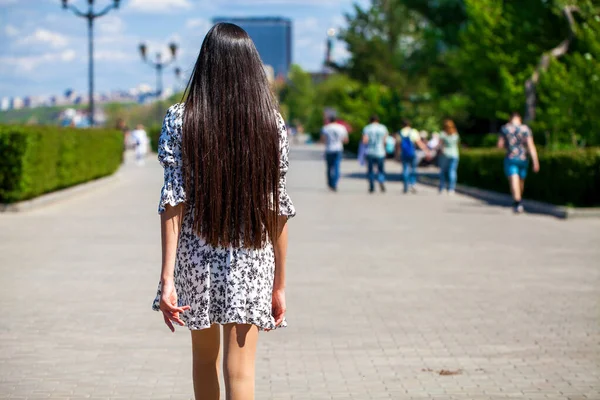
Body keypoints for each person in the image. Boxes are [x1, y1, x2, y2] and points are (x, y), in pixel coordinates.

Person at [151, 23, 296, 400]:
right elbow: (275, 208)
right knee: (241, 372)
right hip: (251, 254)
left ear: (206, 63)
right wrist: (279, 282)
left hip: (196, 254)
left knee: (203, 360)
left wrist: (166, 278)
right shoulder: (271, 124)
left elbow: (173, 201)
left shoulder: (180, 119)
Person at [497, 112, 540, 213]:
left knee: (513, 179)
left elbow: (499, 145)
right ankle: (518, 199)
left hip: (511, 157)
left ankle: (517, 201)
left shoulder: (505, 129)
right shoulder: (525, 129)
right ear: (520, 119)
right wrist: (535, 161)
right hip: (523, 158)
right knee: (520, 180)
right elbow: (531, 146)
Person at [397, 119, 430, 194]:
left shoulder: (400, 132)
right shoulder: (413, 131)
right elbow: (418, 142)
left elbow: (398, 145)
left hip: (404, 153)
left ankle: (405, 185)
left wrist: (397, 155)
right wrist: (426, 150)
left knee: (405, 169)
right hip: (412, 153)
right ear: (409, 124)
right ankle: (412, 184)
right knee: (413, 169)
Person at [321, 115, 349, 191]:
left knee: (329, 167)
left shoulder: (326, 128)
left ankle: (330, 183)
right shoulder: (341, 128)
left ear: (329, 120)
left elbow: (323, 139)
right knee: (336, 167)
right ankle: (335, 184)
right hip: (338, 148)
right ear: (336, 120)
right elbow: (346, 140)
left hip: (329, 149)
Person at [362, 115, 389, 193]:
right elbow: (385, 141)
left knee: (370, 170)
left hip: (370, 152)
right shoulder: (383, 128)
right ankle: (381, 180)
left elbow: (365, 141)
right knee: (380, 169)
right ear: (378, 120)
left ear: (370, 120)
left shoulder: (367, 128)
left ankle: (371, 185)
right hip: (380, 152)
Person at [438, 119, 460, 194]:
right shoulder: (455, 134)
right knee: (452, 171)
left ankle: (442, 187)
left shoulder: (443, 134)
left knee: (443, 171)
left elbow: (440, 145)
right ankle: (451, 188)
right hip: (455, 154)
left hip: (445, 154)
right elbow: (457, 144)